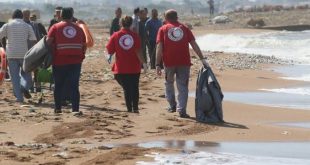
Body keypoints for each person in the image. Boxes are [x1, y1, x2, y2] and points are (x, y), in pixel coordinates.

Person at [155, 9, 208, 118]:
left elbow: (159, 48)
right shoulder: (184, 28)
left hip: (169, 62)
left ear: (165, 18)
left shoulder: (163, 29)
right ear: (177, 17)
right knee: (182, 86)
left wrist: (157, 64)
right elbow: (194, 44)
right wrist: (202, 59)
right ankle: (181, 110)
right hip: (184, 62)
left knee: (169, 83)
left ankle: (172, 105)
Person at [46, 8, 86, 113]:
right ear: (72, 16)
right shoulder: (79, 29)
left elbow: (48, 42)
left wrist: (52, 53)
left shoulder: (55, 27)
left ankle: (58, 108)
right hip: (76, 62)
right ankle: (75, 109)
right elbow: (84, 44)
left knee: (58, 85)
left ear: (61, 16)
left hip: (59, 61)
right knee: (74, 85)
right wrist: (82, 56)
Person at [106, 16, 146, 113]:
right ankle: (135, 108)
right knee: (134, 87)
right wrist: (144, 63)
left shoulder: (115, 35)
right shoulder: (135, 36)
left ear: (120, 24)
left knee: (127, 89)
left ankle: (129, 108)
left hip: (121, 67)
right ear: (131, 24)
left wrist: (109, 56)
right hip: (134, 67)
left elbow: (110, 50)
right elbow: (138, 51)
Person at [0, 9, 37, 103]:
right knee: (27, 74)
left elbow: (0, 35)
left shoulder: (7, 25)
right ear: (22, 16)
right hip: (24, 54)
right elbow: (33, 40)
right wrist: (31, 52)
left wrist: (4, 47)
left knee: (14, 77)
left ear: (13, 16)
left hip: (11, 54)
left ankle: (19, 98)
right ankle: (24, 87)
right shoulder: (27, 26)